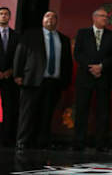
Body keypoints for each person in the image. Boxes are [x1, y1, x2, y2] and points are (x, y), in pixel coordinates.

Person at [13, 11, 73, 151]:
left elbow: (67, 62)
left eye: (53, 17)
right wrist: (17, 74)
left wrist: (65, 80)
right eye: (47, 16)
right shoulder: (30, 35)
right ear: (42, 20)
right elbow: (20, 54)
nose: (50, 19)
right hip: (32, 80)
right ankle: (23, 141)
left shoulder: (63, 39)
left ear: (57, 21)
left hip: (53, 82)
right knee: (28, 113)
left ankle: (42, 142)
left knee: (47, 113)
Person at [72, 8, 112, 152]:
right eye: (102, 16)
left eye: (106, 16)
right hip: (85, 77)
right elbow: (77, 53)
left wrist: (101, 67)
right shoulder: (82, 33)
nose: (105, 18)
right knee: (81, 111)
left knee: (103, 112)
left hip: (104, 78)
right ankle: (79, 142)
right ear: (94, 18)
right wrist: (91, 67)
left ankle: (101, 143)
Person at [0, 7, 20, 147]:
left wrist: (11, 71)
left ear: (10, 17)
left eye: (6, 14)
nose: (3, 16)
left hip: (9, 78)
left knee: (9, 109)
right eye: (1, 14)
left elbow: (19, 57)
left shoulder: (16, 36)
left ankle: (6, 139)